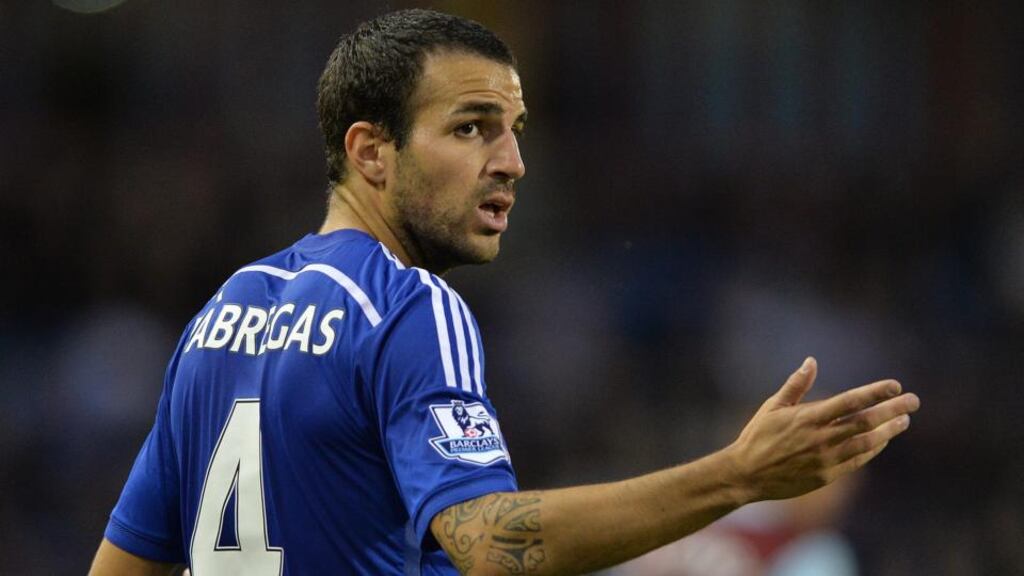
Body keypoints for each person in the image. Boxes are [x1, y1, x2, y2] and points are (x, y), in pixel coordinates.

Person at [88, 9, 920, 576]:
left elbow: (123, 565)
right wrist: (736, 477)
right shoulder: (410, 308)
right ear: (371, 152)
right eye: (470, 127)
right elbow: (490, 543)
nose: (512, 162)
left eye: (512, 131)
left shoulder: (219, 318)